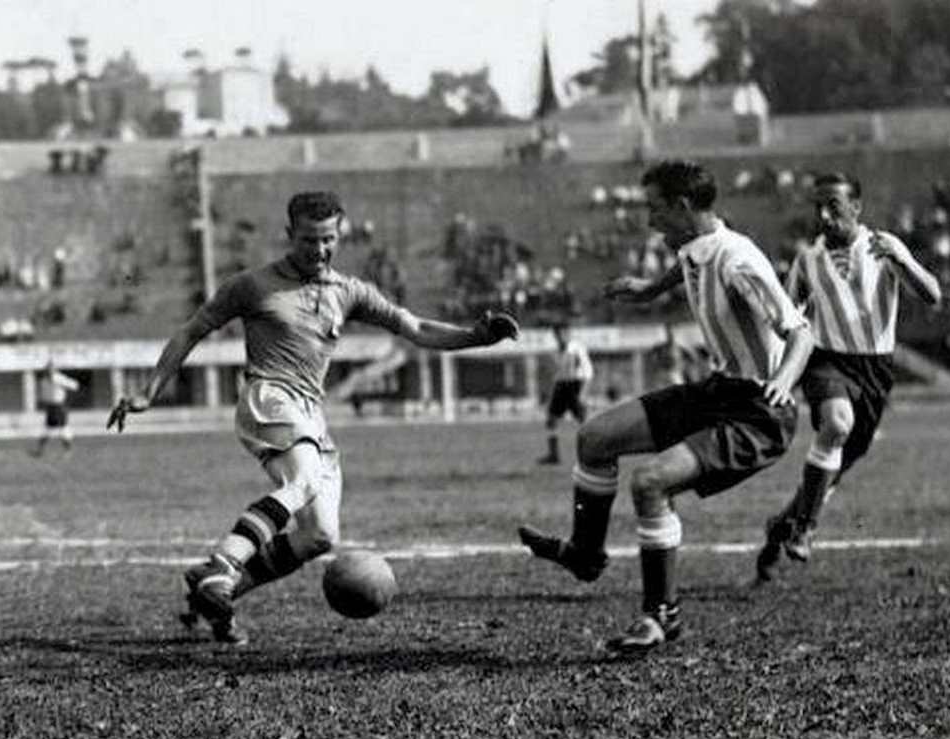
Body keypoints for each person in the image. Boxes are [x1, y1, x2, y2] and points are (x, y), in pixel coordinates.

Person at [107, 191, 519, 645]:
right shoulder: (253, 285)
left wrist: (477, 336)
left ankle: (214, 600)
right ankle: (220, 565)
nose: (319, 250)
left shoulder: (350, 291)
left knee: (320, 535)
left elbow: (415, 327)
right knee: (300, 482)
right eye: (309, 240)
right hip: (268, 395)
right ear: (289, 235)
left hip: (309, 414)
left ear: (339, 235)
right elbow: (191, 331)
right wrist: (149, 392)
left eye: (329, 240)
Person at [518, 160, 814, 654]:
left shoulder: (740, 261)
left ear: (681, 207)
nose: (648, 220)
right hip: (718, 392)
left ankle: (661, 616)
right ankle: (586, 555)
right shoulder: (698, 249)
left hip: (758, 412)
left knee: (651, 482)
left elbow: (800, 332)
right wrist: (648, 289)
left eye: (655, 209)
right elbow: (689, 268)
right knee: (594, 438)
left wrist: (784, 381)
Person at [754, 172, 941, 584]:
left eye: (833, 207)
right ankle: (805, 528)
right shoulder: (807, 260)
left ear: (856, 207)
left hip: (875, 369)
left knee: (835, 466)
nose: (823, 215)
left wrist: (904, 260)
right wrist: (777, 369)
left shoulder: (884, 247)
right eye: (817, 207)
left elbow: (933, 295)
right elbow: (785, 319)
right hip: (826, 362)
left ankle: (782, 526)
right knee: (837, 425)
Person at [537, 323, 594, 465]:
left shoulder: (577, 349)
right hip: (562, 385)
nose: (560, 336)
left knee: (584, 422)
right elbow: (559, 372)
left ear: (568, 333)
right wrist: (554, 387)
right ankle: (553, 455)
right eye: (557, 334)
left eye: (562, 333)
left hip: (576, 384)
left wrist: (583, 393)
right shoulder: (557, 350)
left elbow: (588, 372)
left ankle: (591, 455)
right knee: (551, 419)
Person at [30, 360, 80, 457]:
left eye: (50, 369)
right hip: (50, 407)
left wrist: (66, 385)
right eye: (47, 369)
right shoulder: (44, 380)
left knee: (63, 429)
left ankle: (68, 451)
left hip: (59, 406)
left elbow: (74, 385)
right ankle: (40, 451)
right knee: (47, 429)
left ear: (53, 369)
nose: (48, 371)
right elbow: (43, 394)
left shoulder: (59, 378)